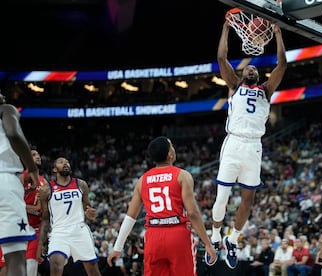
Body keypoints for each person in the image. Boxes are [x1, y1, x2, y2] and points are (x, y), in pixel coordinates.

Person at [209, 17, 287, 270]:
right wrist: (225, 28)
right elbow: (222, 59)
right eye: (247, 69)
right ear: (241, 75)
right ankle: (216, 234)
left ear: (258, 75)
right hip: (233, 144)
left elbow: (282, 64)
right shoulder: (234, 85)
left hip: (254, 146)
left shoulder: (265, 90)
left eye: (254, 69)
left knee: (248, 200)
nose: (251, 69)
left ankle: (232, 239)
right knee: (222, 197)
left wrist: (277, 33)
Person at [106, 136, 217, 275]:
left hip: (153, 236)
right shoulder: (182, 175)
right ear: (170, 154)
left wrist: (117, 247)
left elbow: (130, 217)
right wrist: (207, 243)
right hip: (178, 234)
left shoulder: (142, 180)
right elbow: (193, 213)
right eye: (171, 146)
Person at [36, 157, 101, 276]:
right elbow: (45, 219)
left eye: (67, 162)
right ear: (55, 169)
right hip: (59, 232)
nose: (65, 163)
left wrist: (91, 214)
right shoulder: (46, 189)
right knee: (55, 264)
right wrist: (40, 244)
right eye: (61, 162)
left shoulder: (81, 184)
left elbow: (88, 209)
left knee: (93, 271)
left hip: (80, 230)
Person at [0, 91, 40, 276]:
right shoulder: (5, 109)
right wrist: (31, 167)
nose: (3, 95)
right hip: (4, 178)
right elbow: (13, 133)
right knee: (16, 258)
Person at [20, 148, 48, 276]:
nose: (38, 156)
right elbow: (14, 205)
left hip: (35, 231)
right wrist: (35, 209)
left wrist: (42, 242)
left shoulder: (44, 182)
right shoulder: (21, 178)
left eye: (38, 154)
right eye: (33, 155)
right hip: (19, 227)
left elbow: (45, 213)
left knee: (31, 269)